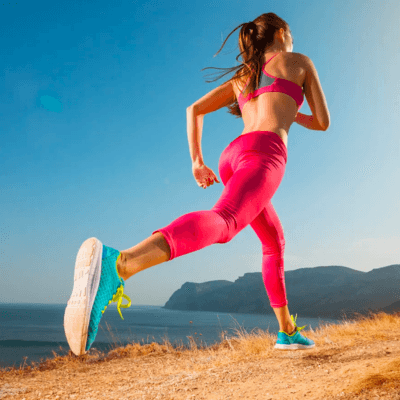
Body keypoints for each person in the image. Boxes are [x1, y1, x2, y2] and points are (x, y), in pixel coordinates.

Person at [64, 12, 330, 355]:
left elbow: (195, 109)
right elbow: (323, 122)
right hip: (266, 154)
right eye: (291, 35)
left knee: (274, 240)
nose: (293, 41)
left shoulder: (244, 76)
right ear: (281, 33)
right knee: (226, 222)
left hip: (234, 156)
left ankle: (287, 331)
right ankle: (120, 264)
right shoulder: (299, 61)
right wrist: (292, 110)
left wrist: (197, 161)